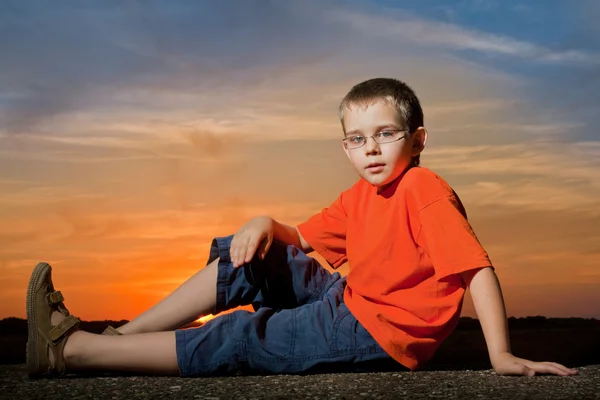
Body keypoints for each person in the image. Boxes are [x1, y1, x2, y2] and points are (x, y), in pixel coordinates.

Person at [26, 78, 578, 379]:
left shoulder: (422, 187)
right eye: (358, 140)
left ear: (418, 139)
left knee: (244, 334)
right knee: (257, 256)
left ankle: (74, 352)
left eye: (386, 135)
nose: (372, 149)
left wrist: (499, 355)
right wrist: (265, 223)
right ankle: (126, 337)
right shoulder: (362, 195)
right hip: (353, 298)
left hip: (381, 332)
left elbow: (476, 270)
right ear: (345, 146)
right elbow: (301, 238)